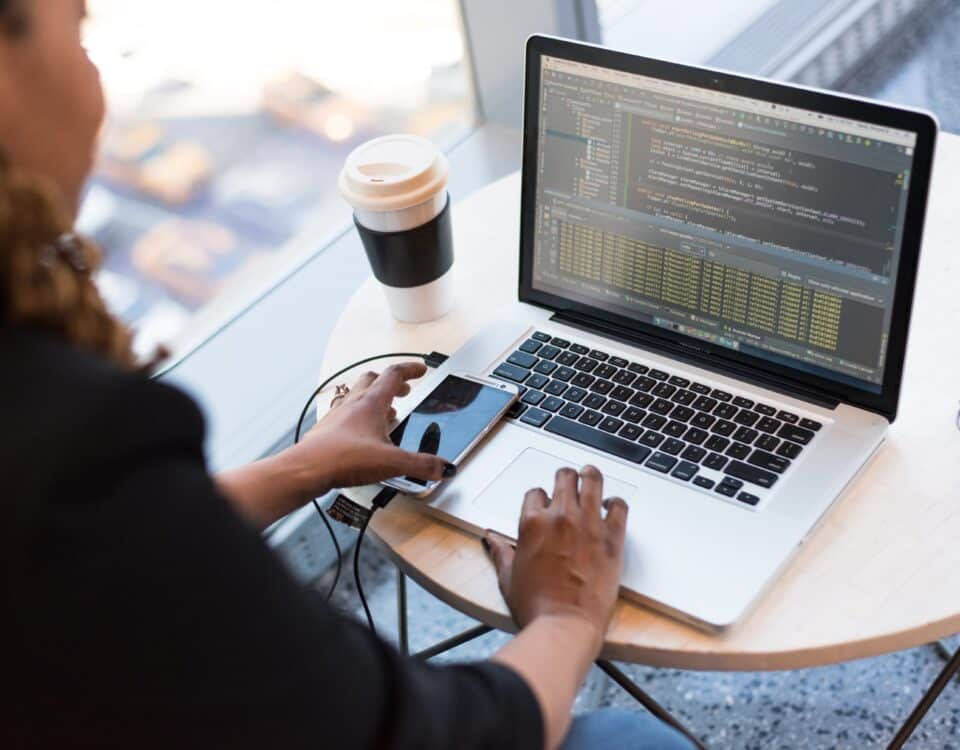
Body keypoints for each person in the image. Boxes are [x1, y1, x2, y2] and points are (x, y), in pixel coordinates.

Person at [0, 2, 696, 748]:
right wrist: (565, 615)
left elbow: (94, 551)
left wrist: (303, 466)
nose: (94, 70)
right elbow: (431, 735)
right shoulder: (73, 436)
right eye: (79, 30)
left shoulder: (58, 462)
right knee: (633, 740)